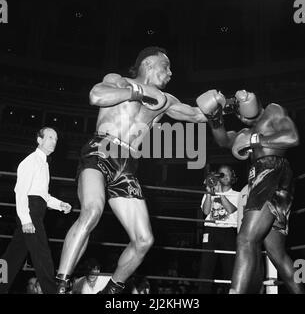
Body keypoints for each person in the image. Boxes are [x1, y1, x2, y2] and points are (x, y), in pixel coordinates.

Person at [56, 46, 209, 294]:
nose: (170, 73)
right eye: (166, 66)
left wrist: (228, 107)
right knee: (92, 211)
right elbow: (96, 96)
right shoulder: (118, 80)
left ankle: (112, 291)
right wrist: (136, 92)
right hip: (101, 149)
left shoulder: (164, 100)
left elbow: (196, 115)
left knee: (144, 240)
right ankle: (61, 284)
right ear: (148, 63)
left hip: (127, 163)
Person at [196, 89, 305, 293]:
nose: (239, 115)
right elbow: (223, 141)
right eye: (236, 113)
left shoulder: (273, 111)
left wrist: (256, 141)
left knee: (246, 239)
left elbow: (292, 137)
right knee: (276, 253)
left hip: (272, 171)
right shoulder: (244, 133)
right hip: (262, 179)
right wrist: (214, 119)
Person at [0, 127, 72, 294]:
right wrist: (26, 220)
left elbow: (43, 195)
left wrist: (60, 204)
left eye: (55, 139)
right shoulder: (30, 161)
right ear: (39, 140)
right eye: (50, 137)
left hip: (36, 210)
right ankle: (51, 291)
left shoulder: (44, 164)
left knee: (13, 255)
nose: (54, 141)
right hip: (30, 212)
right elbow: (20, 191)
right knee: (42, 252)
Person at [198, 165, 239, 294]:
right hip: (211, 230)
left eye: (227, 174)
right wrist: (209, 192)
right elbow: (205, 211)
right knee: (206, 267)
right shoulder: (210, 191)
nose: (225, 177)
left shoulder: (238, 195)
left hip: (228, 231)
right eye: (221, 174)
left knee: (229, 268)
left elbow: (231, 210)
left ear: (232, 177)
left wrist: (220, 193)